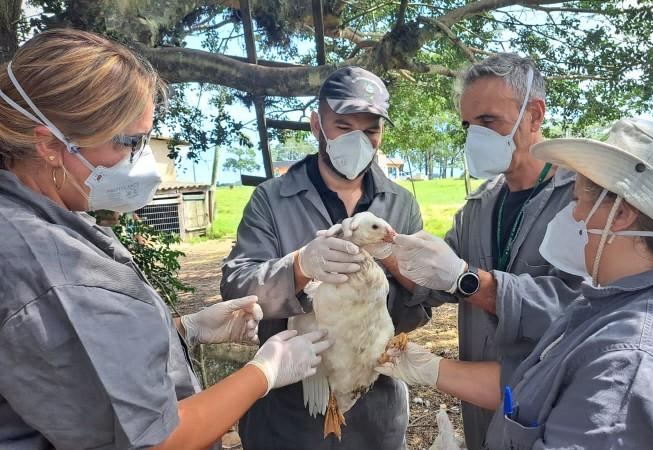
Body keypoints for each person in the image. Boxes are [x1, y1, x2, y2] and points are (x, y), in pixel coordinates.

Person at [0, 29, 330, 450]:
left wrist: (182, 329)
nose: (143, 162)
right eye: (129, 143)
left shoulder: (44, 221)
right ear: (49, 144)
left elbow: (70, 358)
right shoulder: (45, 264)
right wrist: (263, 373)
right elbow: (154, 440)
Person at [379, 119, 653, 449]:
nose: (572, 214)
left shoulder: (628, 374)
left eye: (578, 200)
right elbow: (542, 388)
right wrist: (430, 368)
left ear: (620, 214)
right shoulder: (638, 307)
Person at [220, 67, 429, 449]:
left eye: (370, 131)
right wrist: (299, 267)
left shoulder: (399, 204)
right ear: (316, 124)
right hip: (289, 413)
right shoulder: (271, 199)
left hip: (374, 412)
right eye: (343, 126)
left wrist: (392, 271)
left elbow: (419, 308)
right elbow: (235, 286)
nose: (358, 141)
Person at [389, 54, 583, 449]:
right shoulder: (479, 207)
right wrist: (386, 252)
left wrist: (470, 281)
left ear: (534, 115)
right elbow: (438, 283)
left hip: (554, 412)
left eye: (489, 121)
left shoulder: (581, 202)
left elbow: (584, 312)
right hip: (482, 410)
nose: (475, 136)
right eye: (468, 125)